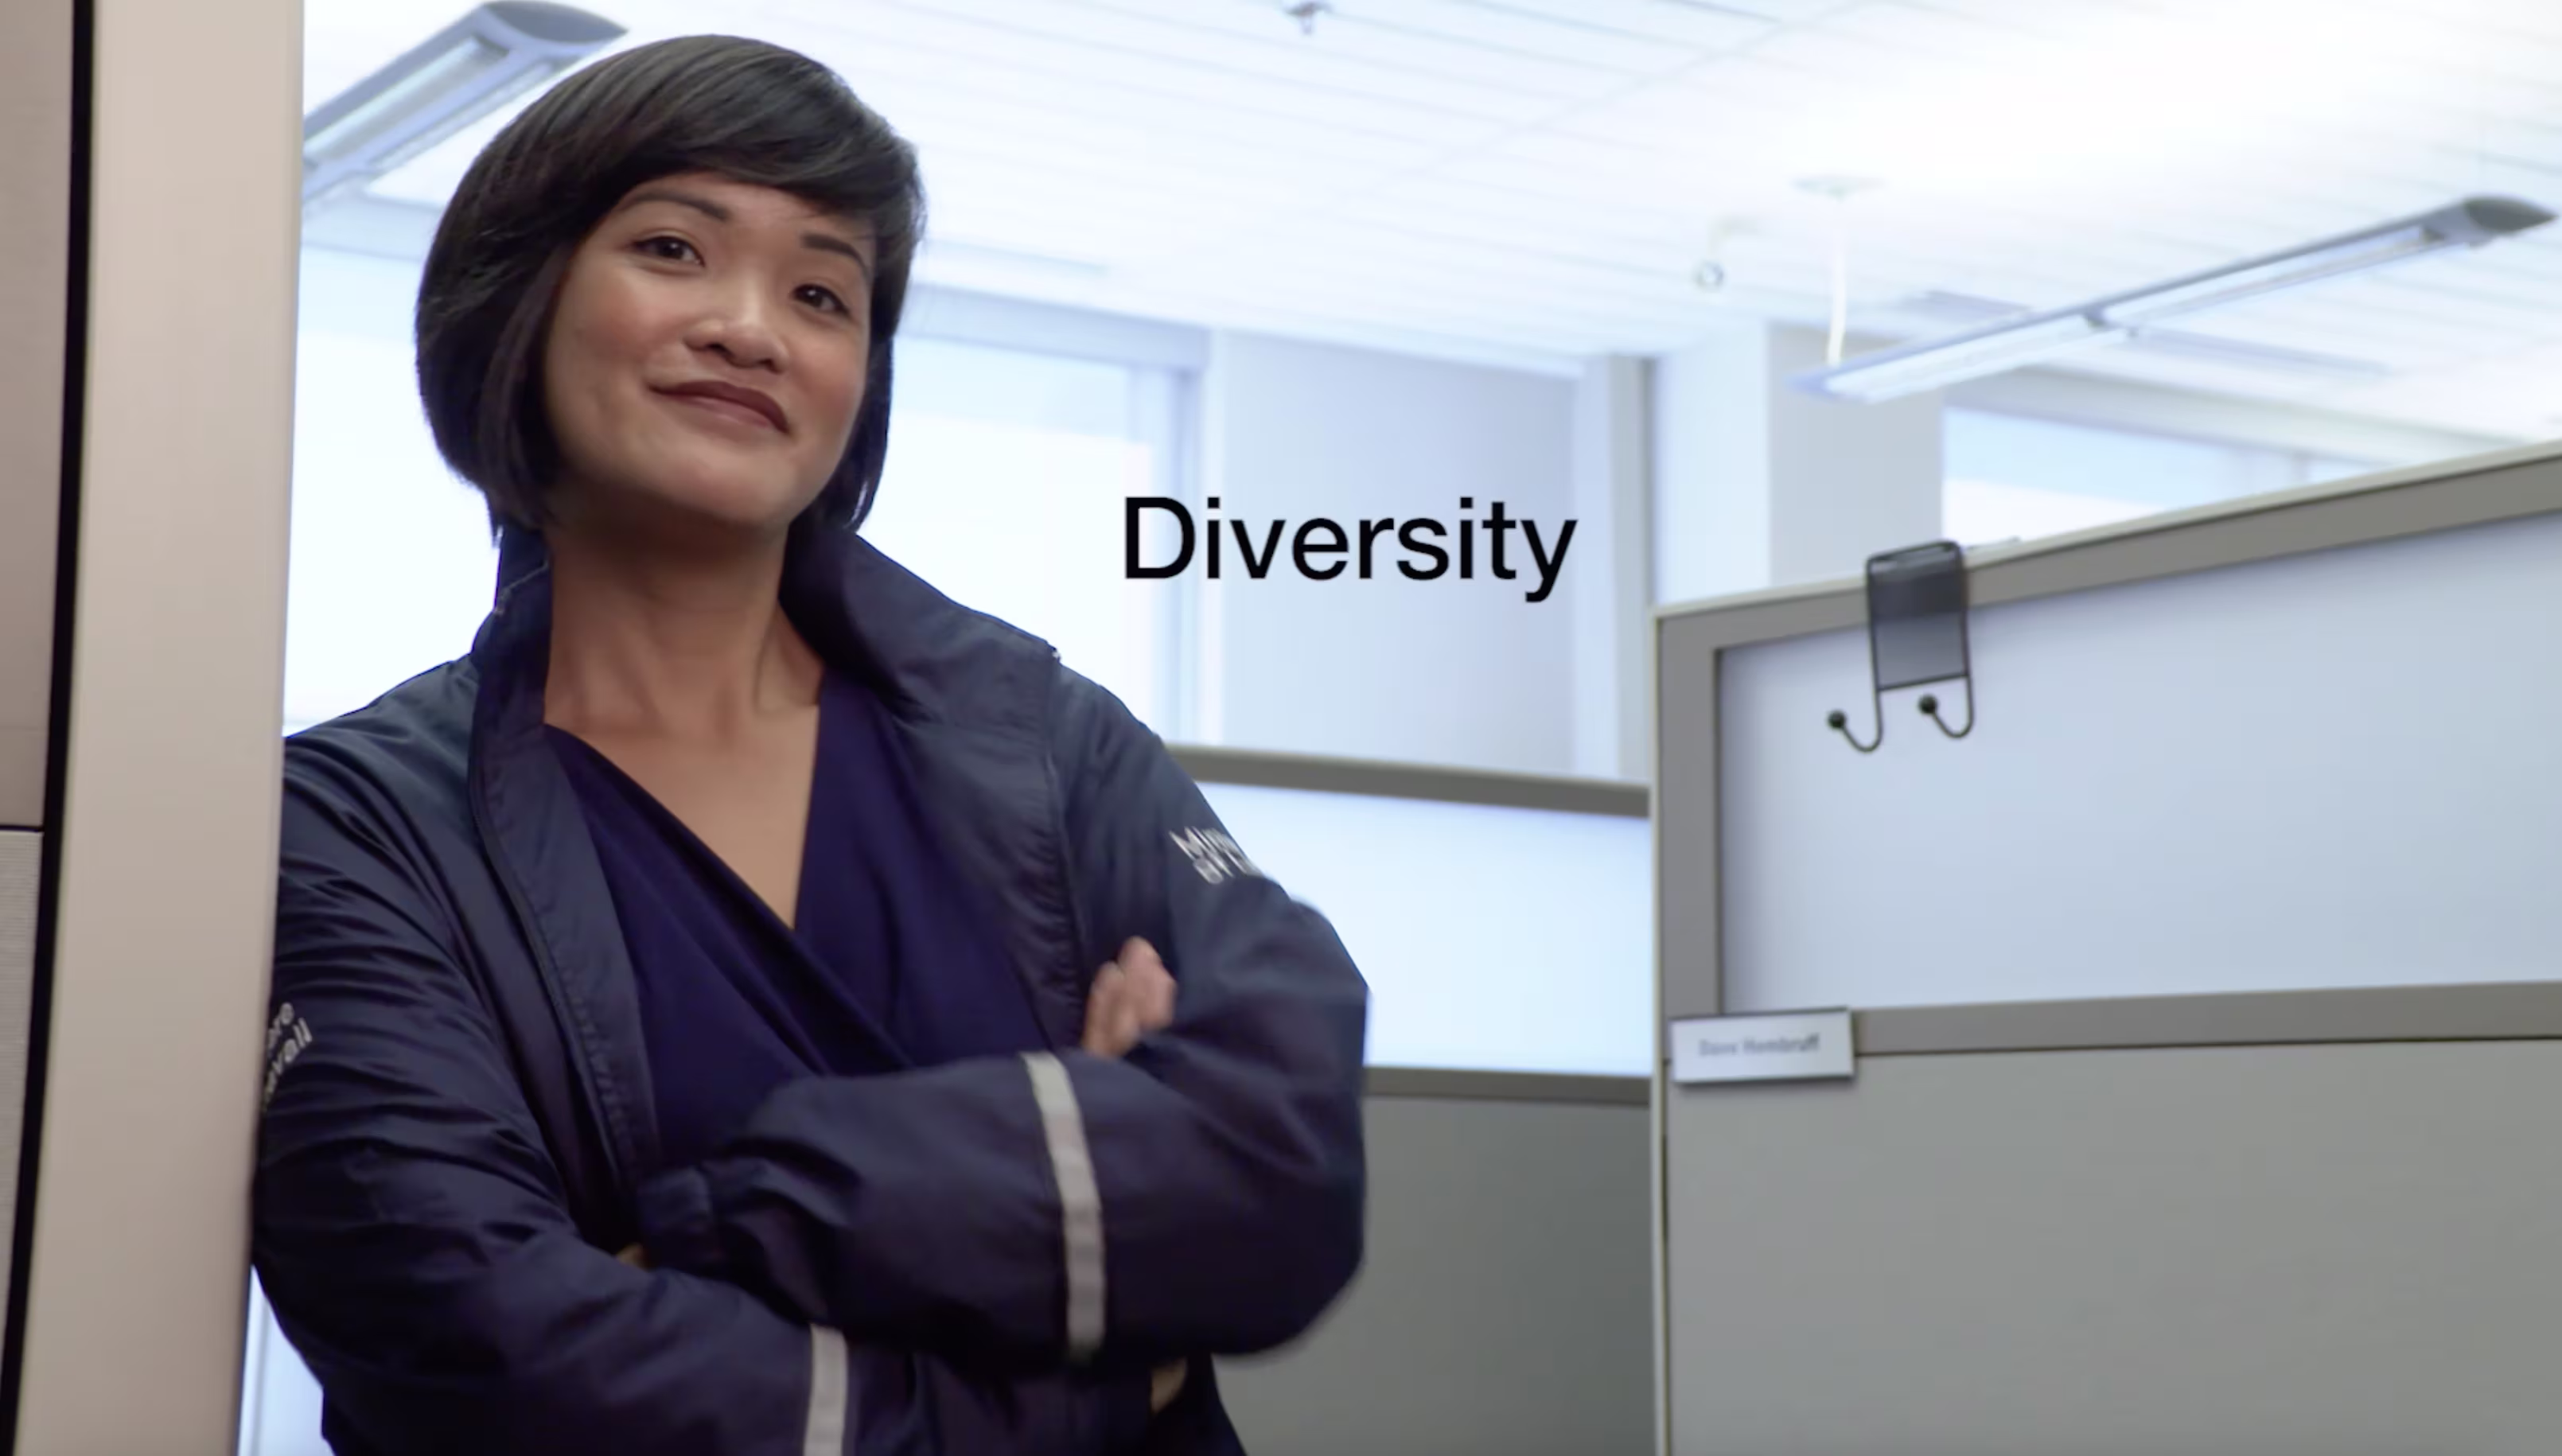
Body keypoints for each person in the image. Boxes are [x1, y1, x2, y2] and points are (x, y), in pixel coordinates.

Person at [252, 33, 1369, 1456]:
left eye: (824, 291)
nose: (751, 326)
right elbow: (488, 1360)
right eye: (671, 247)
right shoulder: (355, 826)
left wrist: (726, 1225)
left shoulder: (1041, 742)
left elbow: (1282, 1172)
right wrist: (1085, 1301)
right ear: (519, 304)